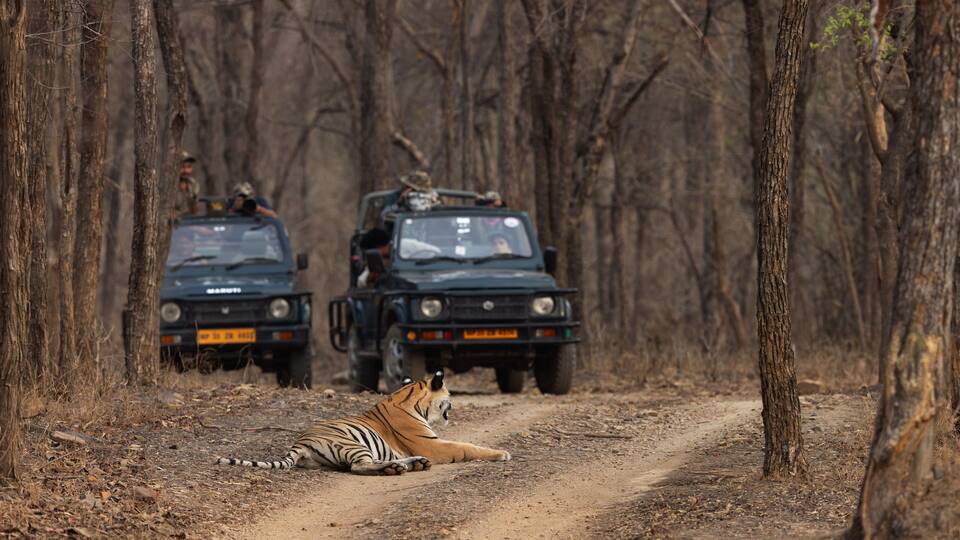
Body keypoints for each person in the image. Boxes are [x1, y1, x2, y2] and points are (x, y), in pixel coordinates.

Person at [175, 151, 200, 216]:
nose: (186, 170)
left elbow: (195, 210)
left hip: (188, 222)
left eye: (189, 167)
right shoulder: (167, 185)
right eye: (182, 167)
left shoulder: (193, 184)